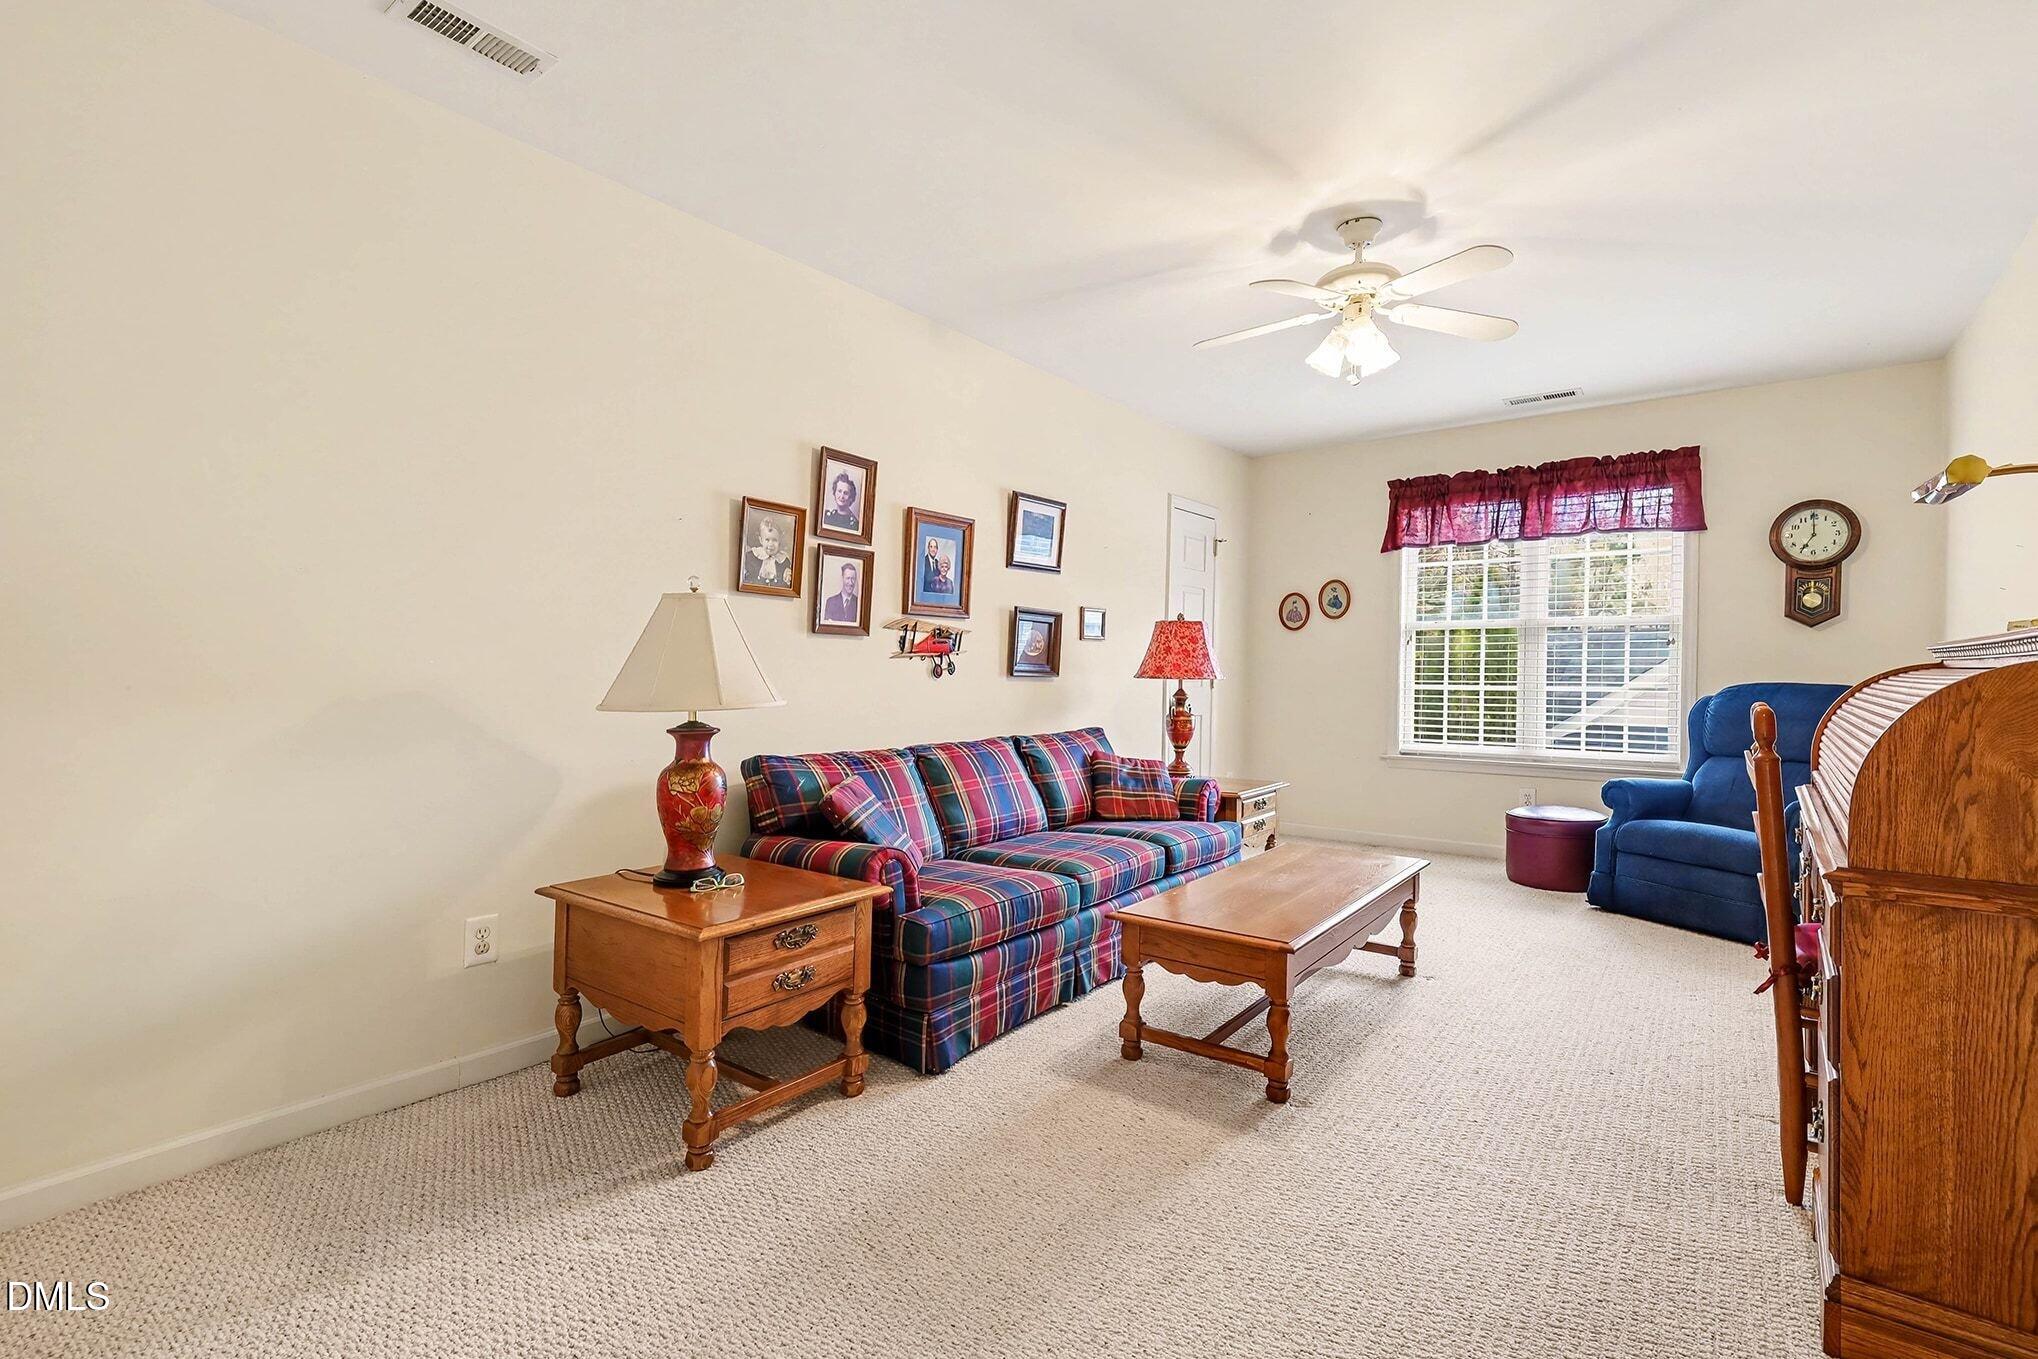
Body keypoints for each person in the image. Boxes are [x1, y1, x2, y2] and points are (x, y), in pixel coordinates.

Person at [743, 517, 791, 586]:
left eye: (774, 540)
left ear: (779, 541)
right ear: (761, 540)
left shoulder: (784, 561)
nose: (770, 544)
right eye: (767, 540)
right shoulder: (750, 557)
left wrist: (788, 579)